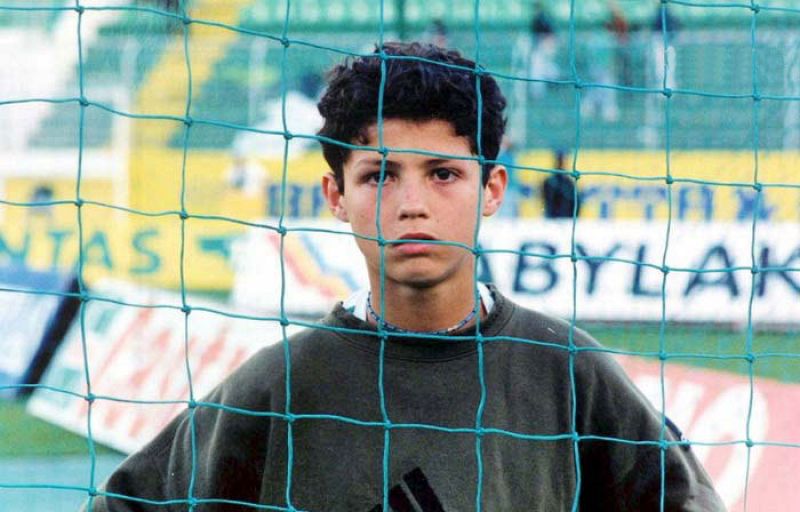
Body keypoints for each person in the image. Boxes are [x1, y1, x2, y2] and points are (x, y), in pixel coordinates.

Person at [85, 42, 724, 511]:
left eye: (443, 173)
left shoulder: (566, 370)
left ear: (492, 188)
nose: (411, 203)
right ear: (336, 195)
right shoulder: (278, 385)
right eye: (379, 176)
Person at [543, 148, 581, 218]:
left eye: (563, 159)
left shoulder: (569, 183)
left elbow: (576, 203)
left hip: (566, 220)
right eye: (559, 159)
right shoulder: (549, 182)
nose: (561, 162)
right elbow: (547, 202)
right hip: (553, 219)